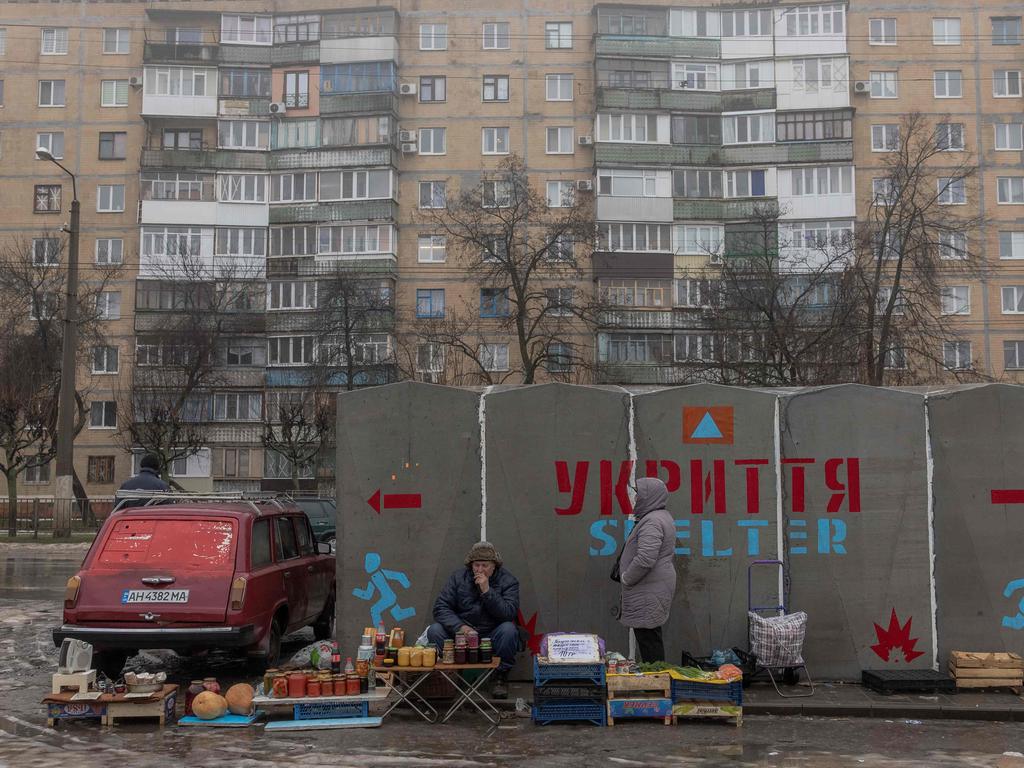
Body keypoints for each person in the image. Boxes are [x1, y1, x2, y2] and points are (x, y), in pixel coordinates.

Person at [427, 541, 520, 699]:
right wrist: (460, 627)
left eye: (485, 565)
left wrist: (487, 591)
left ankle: (499, 678)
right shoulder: (458, 578)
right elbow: (440, 608)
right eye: (476, 565)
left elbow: (508, 613)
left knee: (509, 630)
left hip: (490, 634)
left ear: (494, 566)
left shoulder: (508, 581)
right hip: (462, 634)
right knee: (434, 630)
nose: (480, 570)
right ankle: (453, 674)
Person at [618, 477, 677, 663]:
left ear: (649, 496)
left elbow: (645, 559)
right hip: (651, 587)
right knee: (650, 637)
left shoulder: (652, 521)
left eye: (639, 495)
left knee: (648, 639)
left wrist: (627, 578)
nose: (636, 499)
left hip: (646, 589)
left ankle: (656, 680)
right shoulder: (659, 517)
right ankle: (655, 678)